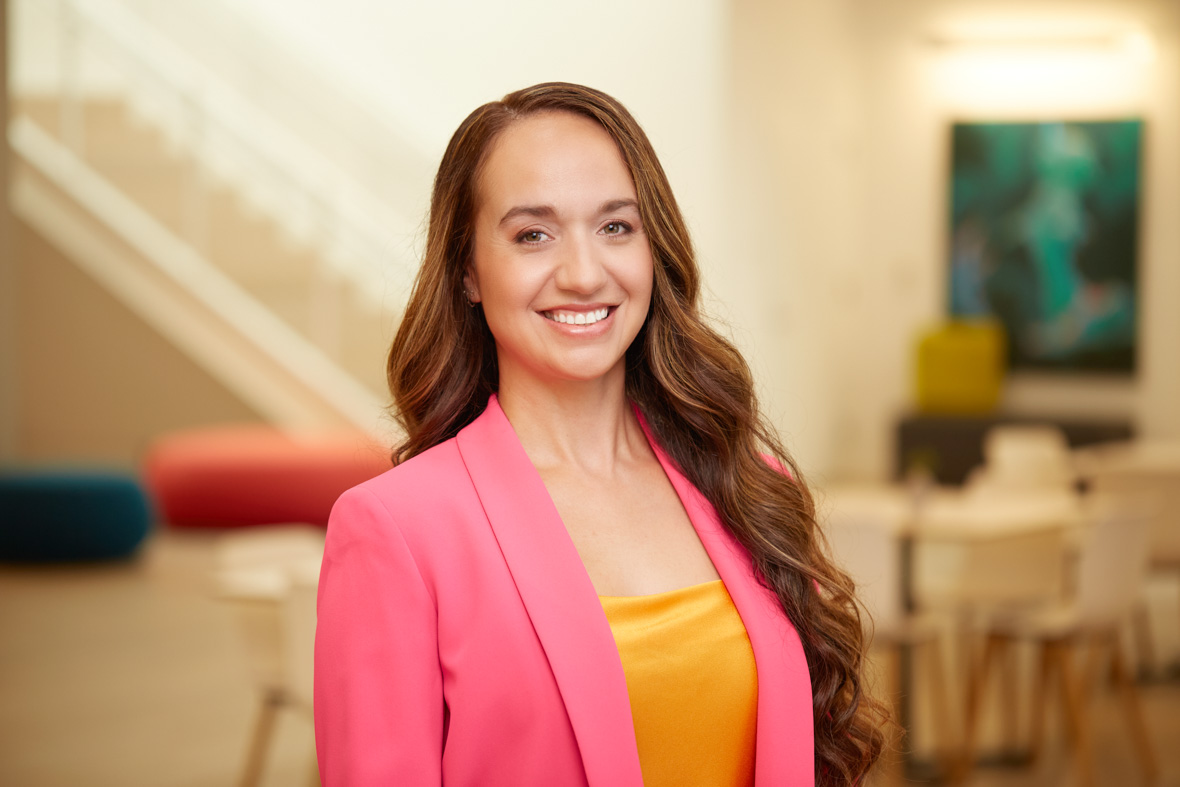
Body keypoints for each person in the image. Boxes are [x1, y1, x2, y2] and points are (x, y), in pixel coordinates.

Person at [314, 82, 885, 787]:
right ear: (467, 269)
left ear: (654, 249)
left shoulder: (747, 481)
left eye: (616, 227)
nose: (584, 274)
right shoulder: (396, 530)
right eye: (532, 234)